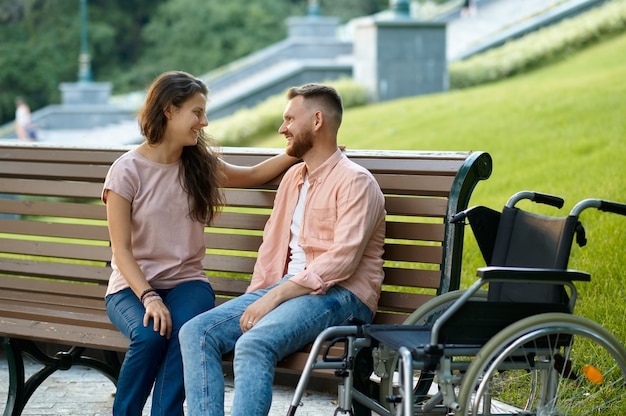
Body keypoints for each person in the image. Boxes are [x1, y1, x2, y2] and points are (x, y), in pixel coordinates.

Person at [179, 83, 386, 416]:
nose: (282, 128)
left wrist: (272, 299)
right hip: (288, 289)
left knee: (253, 344)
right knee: (196, 333)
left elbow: (341, 263)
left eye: (290, 119)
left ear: (317, 120)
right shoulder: (294, 178)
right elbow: (273, 248)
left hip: (342, 295)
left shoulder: (355, 182)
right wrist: (260, 295)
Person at [102, 70, 298, 416]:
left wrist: (300, 150)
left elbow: (253, 175)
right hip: (131, 288)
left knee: (187, 333)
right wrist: (148, 297)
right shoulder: (126, 171)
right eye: (197, 112)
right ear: (169, 111)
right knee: (149, 337)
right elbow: (121, 251)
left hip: (187, 284)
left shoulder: (198, 165)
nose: (204, 122)